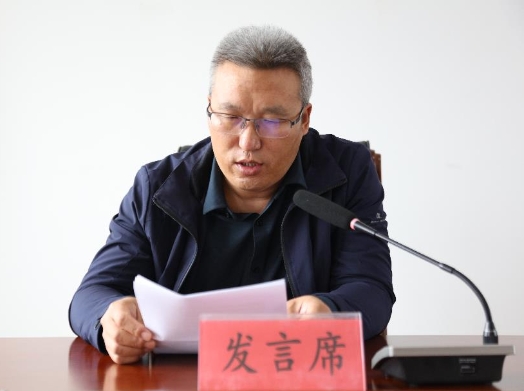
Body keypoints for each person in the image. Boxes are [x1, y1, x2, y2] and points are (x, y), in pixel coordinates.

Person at [69, 25, 394, 365]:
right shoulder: (158, 187)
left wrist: (331, 310)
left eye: (272, 120)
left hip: (300, 371)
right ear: (209, 110)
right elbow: (92, 294)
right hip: (182, 380)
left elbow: (371, 288)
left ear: (303, 119)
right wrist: (110, 317)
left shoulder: (346, 173)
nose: (248, 142)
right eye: (231, 117)